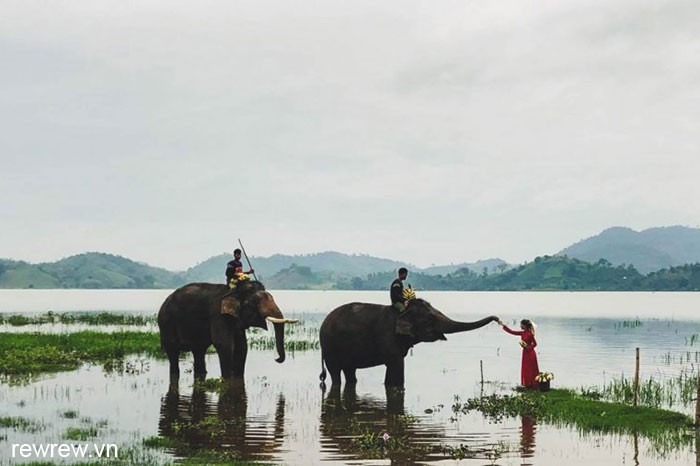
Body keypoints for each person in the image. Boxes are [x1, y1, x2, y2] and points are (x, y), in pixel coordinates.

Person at [498, 318, 540, 389]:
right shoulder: (522, 333)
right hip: (525, 353)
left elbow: (535, 344)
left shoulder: (530, 334)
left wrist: (528, 347)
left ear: (525, 326)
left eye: (521, 325)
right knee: (525, 368)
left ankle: (532, 384)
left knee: (531, 368)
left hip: (530, 353)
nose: (520, 326)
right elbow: (512, 332)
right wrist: (503, 325)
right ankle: (527, 384)